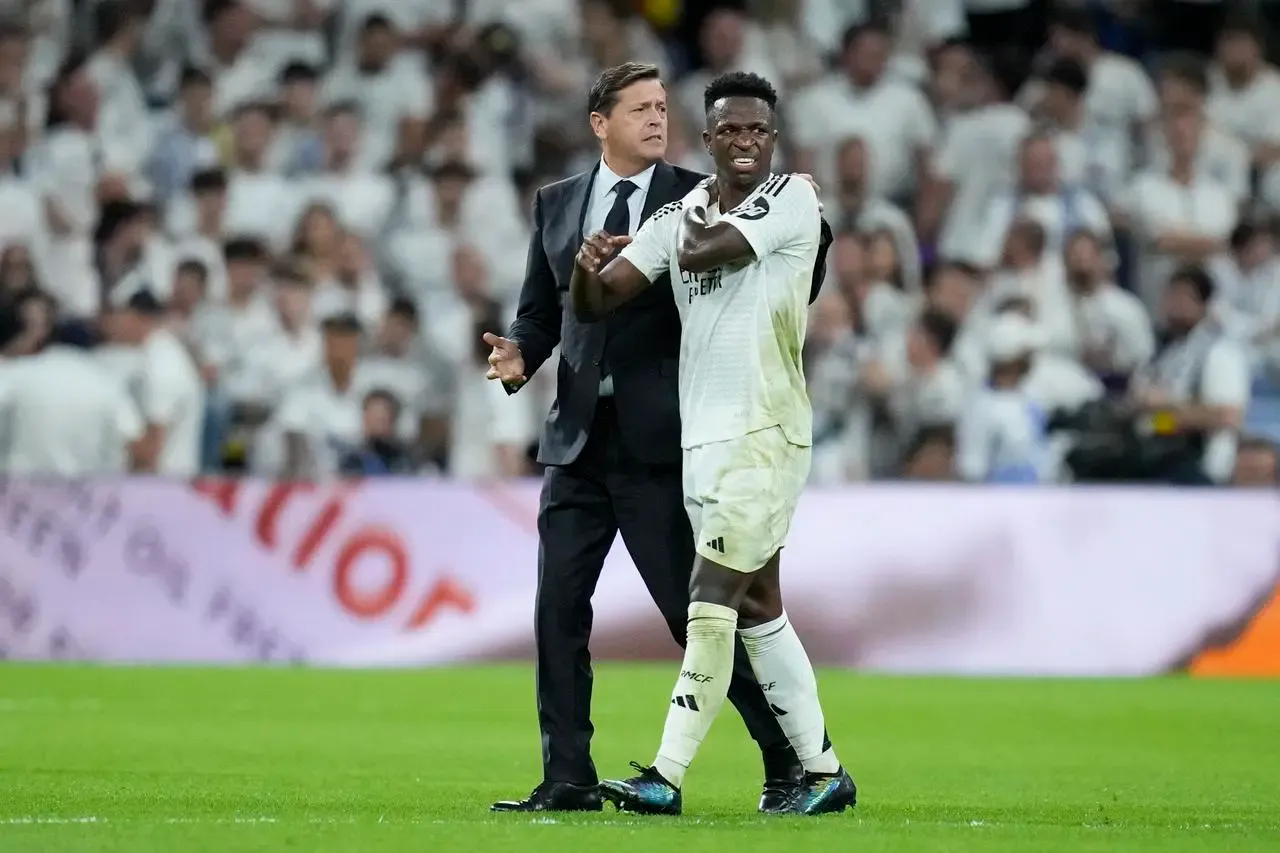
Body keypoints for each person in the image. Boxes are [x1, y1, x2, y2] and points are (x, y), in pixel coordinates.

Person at [485, 62, 830, 814]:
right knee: (557, 613)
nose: (656, 119)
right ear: (599, 122)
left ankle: (786, 760)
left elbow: (788, 263)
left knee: (698, 612)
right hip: (576, 438)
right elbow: (548, 310)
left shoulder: (702, 195)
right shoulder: (557, 204)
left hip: (670, 444)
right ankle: (567, 778)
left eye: (663, 107)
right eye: (639, 107)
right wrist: (520, 353)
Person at [569, 72, 854, 816]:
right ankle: (824, 771)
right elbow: (603, 297)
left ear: (774, 138)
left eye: (758, 129)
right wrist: (584, 265)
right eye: (731, 129)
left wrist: (667, 229)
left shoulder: (792, 197)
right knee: (759, 608)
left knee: (711, 600)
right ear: (710, 137)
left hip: (763, 430)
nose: (746, 141)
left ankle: (665, 772)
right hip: (705, 438)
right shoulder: (684, 208)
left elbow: (702, 249)